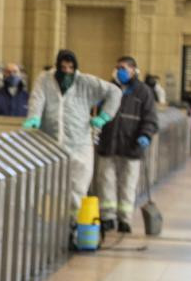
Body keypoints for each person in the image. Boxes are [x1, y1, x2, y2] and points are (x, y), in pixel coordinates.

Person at [23, 49, 121, 216]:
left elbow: (114, 92)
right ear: (57, 66)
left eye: (70, 67)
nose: (67, 71)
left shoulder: (85, 82)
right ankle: (48, 223)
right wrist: (34, 117)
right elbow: (37, 99)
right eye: (63, 67)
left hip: (79, 144)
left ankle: (73, 225)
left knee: (78, 186)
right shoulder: (45, 79)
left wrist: (104, 116)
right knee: (48, 186)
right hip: (50, 143)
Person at [96, 56, 158, 233]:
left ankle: (125, 218)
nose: (119, 71)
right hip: (109, 144)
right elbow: (96, 108)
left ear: (133, 70)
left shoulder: (143, 92)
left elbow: (150, 118)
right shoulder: (109, 89)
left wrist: (145, 135)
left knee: (128, 184)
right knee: (106, 182)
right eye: (117, 67)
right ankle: (107, 217)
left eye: (123, 68)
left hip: (131, 146)